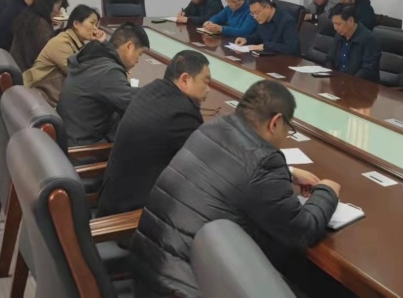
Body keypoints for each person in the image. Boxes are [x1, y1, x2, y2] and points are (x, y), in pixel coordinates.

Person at [130, 80, 341, 298]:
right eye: (289, 129)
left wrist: (289, 173)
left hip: (148, 273)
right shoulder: (265, 163)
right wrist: (327, 191)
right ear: (275, 123)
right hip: (188, 289)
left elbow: (235, 169)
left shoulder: (211, 128)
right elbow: (303, 231)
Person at [96, 50, 211, 218]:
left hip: (111, 199)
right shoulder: (182, 114)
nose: (208, 89)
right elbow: (203, 169)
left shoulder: (152, 89)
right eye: (206, 82)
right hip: (131, 217)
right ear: (185, 79)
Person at [58, 23, 150, 146]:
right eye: (139, 54)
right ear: (129, 46)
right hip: (85, 148)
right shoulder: (108, 71)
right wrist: (162, 92)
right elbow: (135, 104)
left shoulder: (94, 57)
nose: (138, 60)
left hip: (72, 135)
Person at [23, 5, 105, 107]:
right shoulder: (61, 42)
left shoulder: (76, 43)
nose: (95, 28)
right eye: (92, 23)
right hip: (38, 98)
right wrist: (97, 45)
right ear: (76, 24)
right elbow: (77, 73)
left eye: (96, 25)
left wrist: (97, 44)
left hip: (51, 98)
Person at [9, 0, 64, 71]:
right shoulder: (39, 24)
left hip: (20, 67)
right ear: (49, 5)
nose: (59, 12)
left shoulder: (29, 16)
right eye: (59, 8)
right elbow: (50, 54)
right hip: (30, 73)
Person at [324, 5, 381, 82]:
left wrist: (348, 82)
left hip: (361, 85)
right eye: (334, 24)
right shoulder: (339, 35)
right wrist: (332, 76)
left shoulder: (369, 39)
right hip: (339, 83)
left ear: (350, 21)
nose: (335, 28)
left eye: (338, 24)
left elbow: (368, 70)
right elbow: (329, 59)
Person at [234, 0, 301, 56]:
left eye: (256, 13)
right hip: (268, 58)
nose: (255, 17)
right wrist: (246, 40)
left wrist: (265, 46)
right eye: (252, 13)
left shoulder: (287, 21)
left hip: (285, 60)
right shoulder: (263, 19)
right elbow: (258, 36)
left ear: (267, 8)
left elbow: (291, 48)